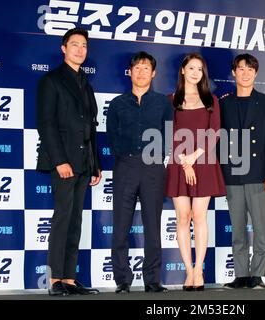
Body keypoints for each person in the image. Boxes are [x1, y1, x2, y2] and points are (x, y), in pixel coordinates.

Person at [36, 28, 102, 296]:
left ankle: (70, 279)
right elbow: (46, 124)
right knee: (63, 219)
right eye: (74, 44)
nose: (80, 49)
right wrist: (60, 160)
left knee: (75, 221)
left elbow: (91, 127)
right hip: (64, 162)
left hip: (84, 163)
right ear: (64, 48)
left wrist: (95, 164)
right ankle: (55, 281)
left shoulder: (85, 83)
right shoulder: (51, 80)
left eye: (84, 45)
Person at [107, 51, 173, 293]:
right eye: (137, 67)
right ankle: (122, 280)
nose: (141, 72)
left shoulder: (162, 103)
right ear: (130, 72)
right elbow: (111, 135)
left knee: (152, 225)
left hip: (153, 167)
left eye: (146, 68)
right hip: (125, 166)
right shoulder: (117, 104)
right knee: (121, 225)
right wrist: (125, 155)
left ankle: (152, 279)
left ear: (153, 73)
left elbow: (168, 133)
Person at [165, 53, 226, 291]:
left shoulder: (211, 100)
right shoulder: (170, 100)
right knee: (183, 217)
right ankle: (188, 271)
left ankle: (199, 270)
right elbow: (167, 131)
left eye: (199, 69)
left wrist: (193, 157)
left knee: (199, 216)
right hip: (178, 162)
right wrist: (184, 160)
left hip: (204, 161)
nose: (195, 72)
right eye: (191, 68)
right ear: (182, 70)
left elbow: (215, 132)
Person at [220, 54, 265, 289]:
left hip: (258, 173)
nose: (245, 73)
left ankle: (257, 274)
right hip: (233, 174)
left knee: (260, 228)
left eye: (250, 69)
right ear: (233, 72)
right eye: (241, 69)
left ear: (256, 73)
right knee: (237, 229)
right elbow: (219, 140)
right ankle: (241, 275)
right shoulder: (224, 103)